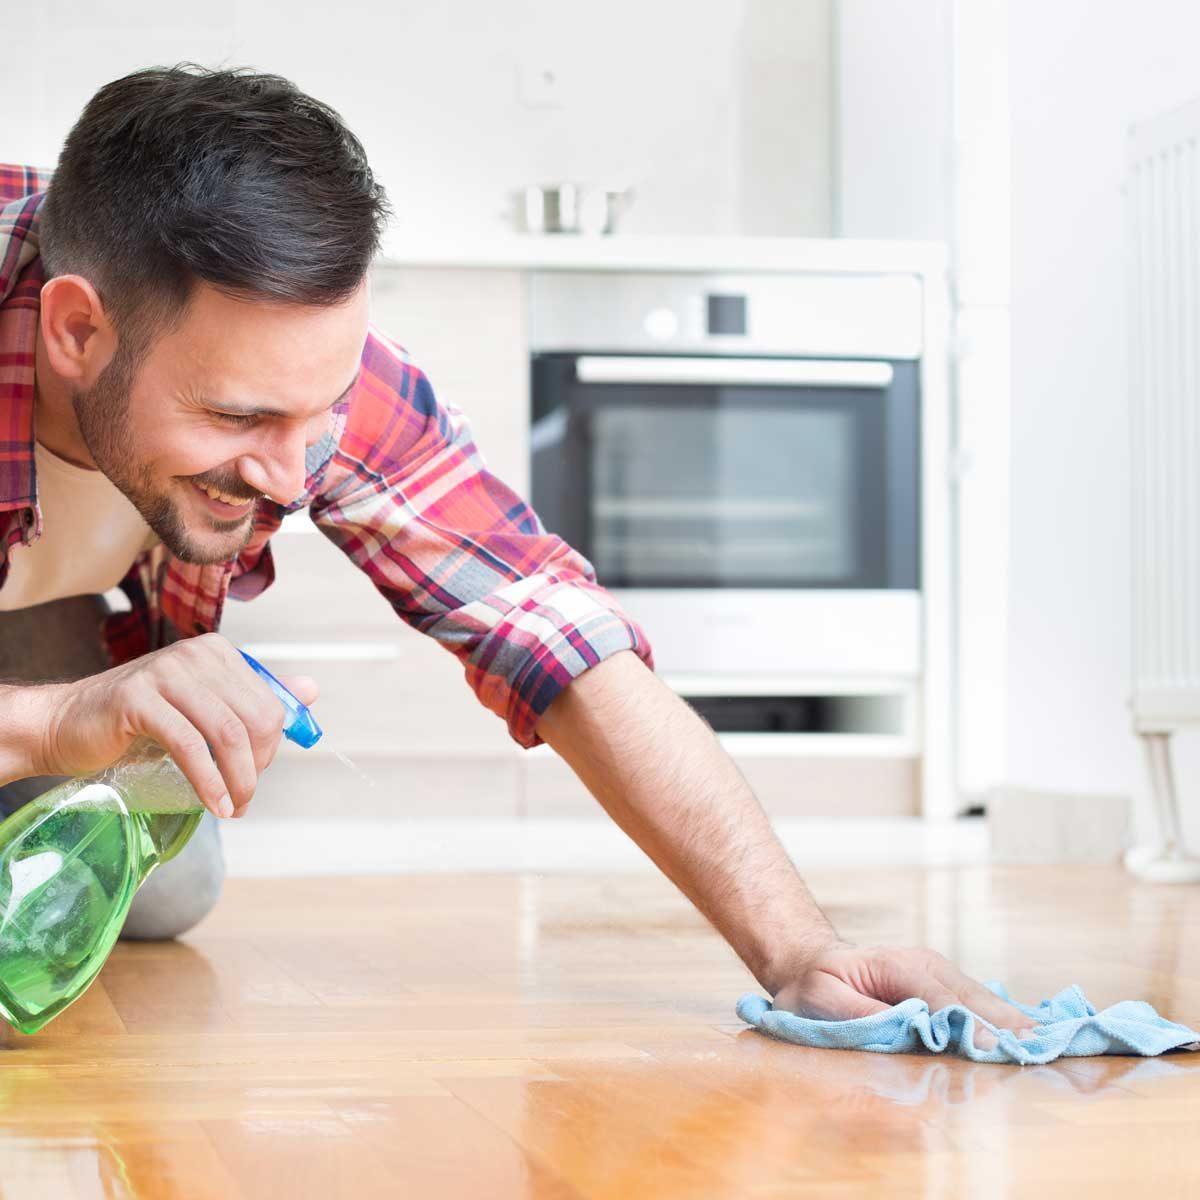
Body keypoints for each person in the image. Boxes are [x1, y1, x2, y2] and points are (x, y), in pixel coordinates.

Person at [0, 65, 1033, 1038]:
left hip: (39, 612)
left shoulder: (302, 385)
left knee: (170, 890)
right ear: (77, 333)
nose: (288, 477)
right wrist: (56, 723)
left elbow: (547, 624)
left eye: (318, 415)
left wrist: (801, 950)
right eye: (236, 417)